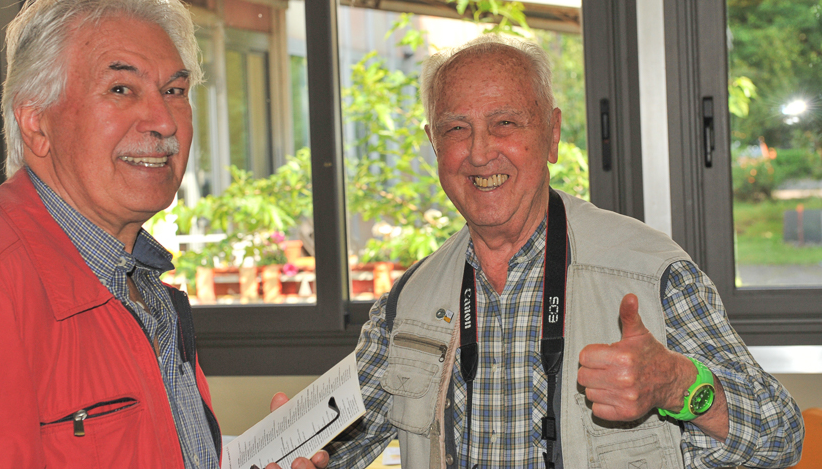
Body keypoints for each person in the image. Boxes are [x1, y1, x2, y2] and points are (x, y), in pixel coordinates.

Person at [325, 34, 804, 468]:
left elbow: (781, 436)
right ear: (433, 143)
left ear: (551, 134)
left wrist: (678, 383)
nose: (479, 152)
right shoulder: (408, 301)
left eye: (505, 123)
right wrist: (299, 448)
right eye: (456, 129)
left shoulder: (651, 274)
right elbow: (336, 441)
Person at [0, 0, 325, 469]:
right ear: (36, 124)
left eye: (175, 91)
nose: (163, 121)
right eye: (121, 89)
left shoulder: (138, 280)